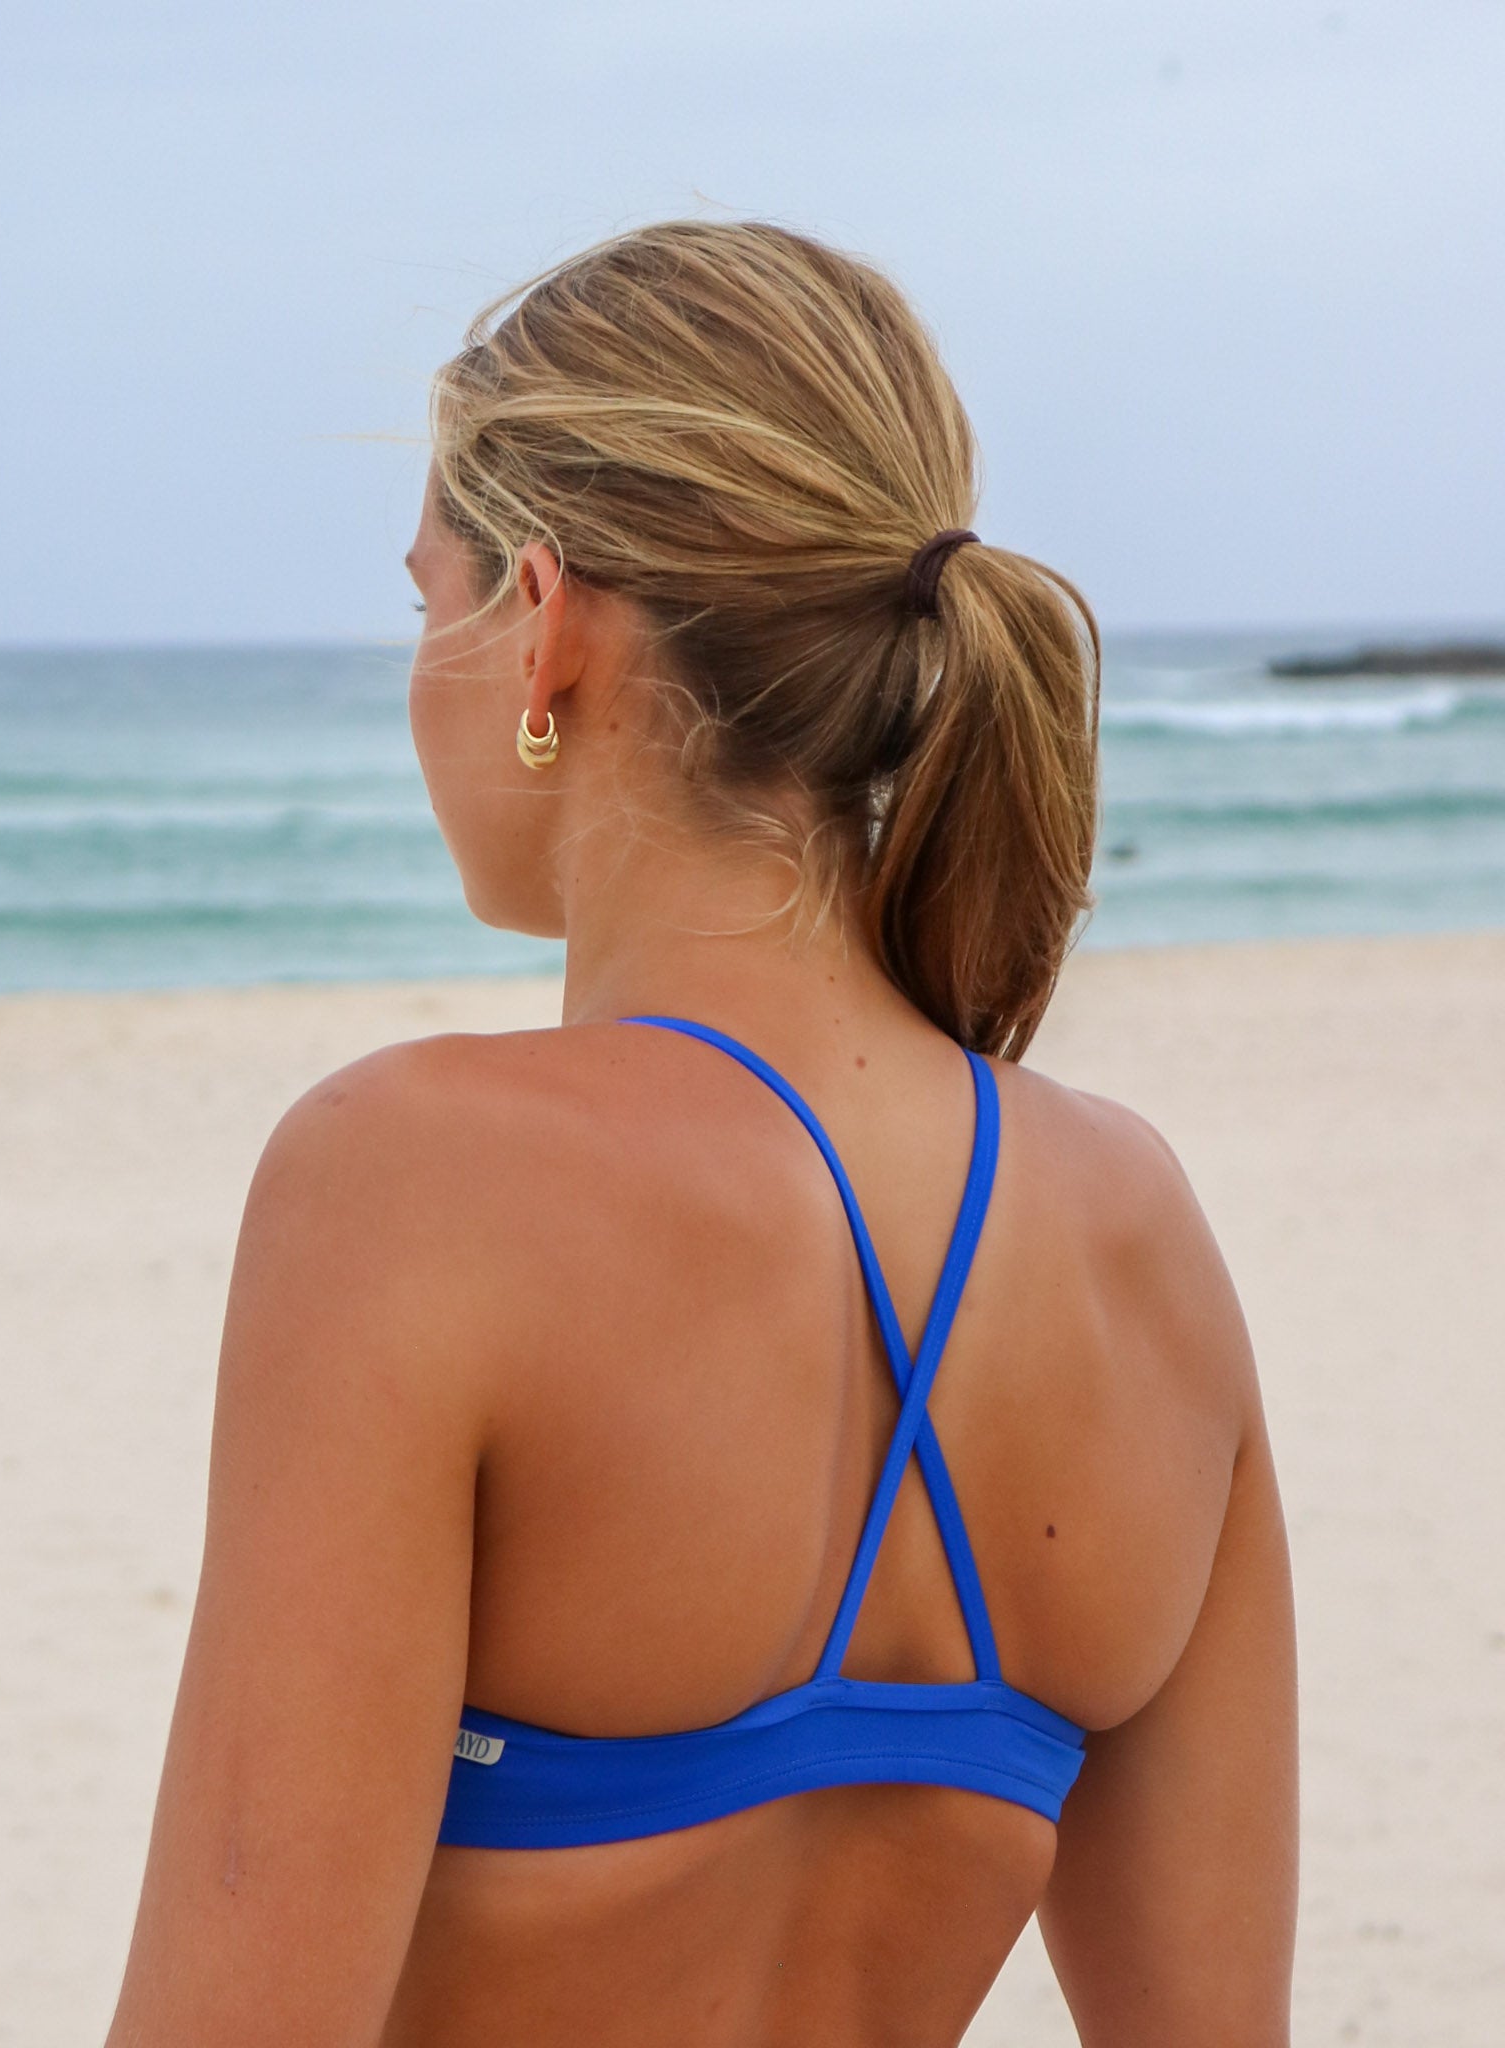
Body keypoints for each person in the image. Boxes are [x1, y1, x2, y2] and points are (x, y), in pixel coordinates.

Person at [104, 220, 1296, 2048]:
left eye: (426, 597)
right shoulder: (1134, 1227)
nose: (418, 659)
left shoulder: (412, 1182)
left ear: (543, 621)